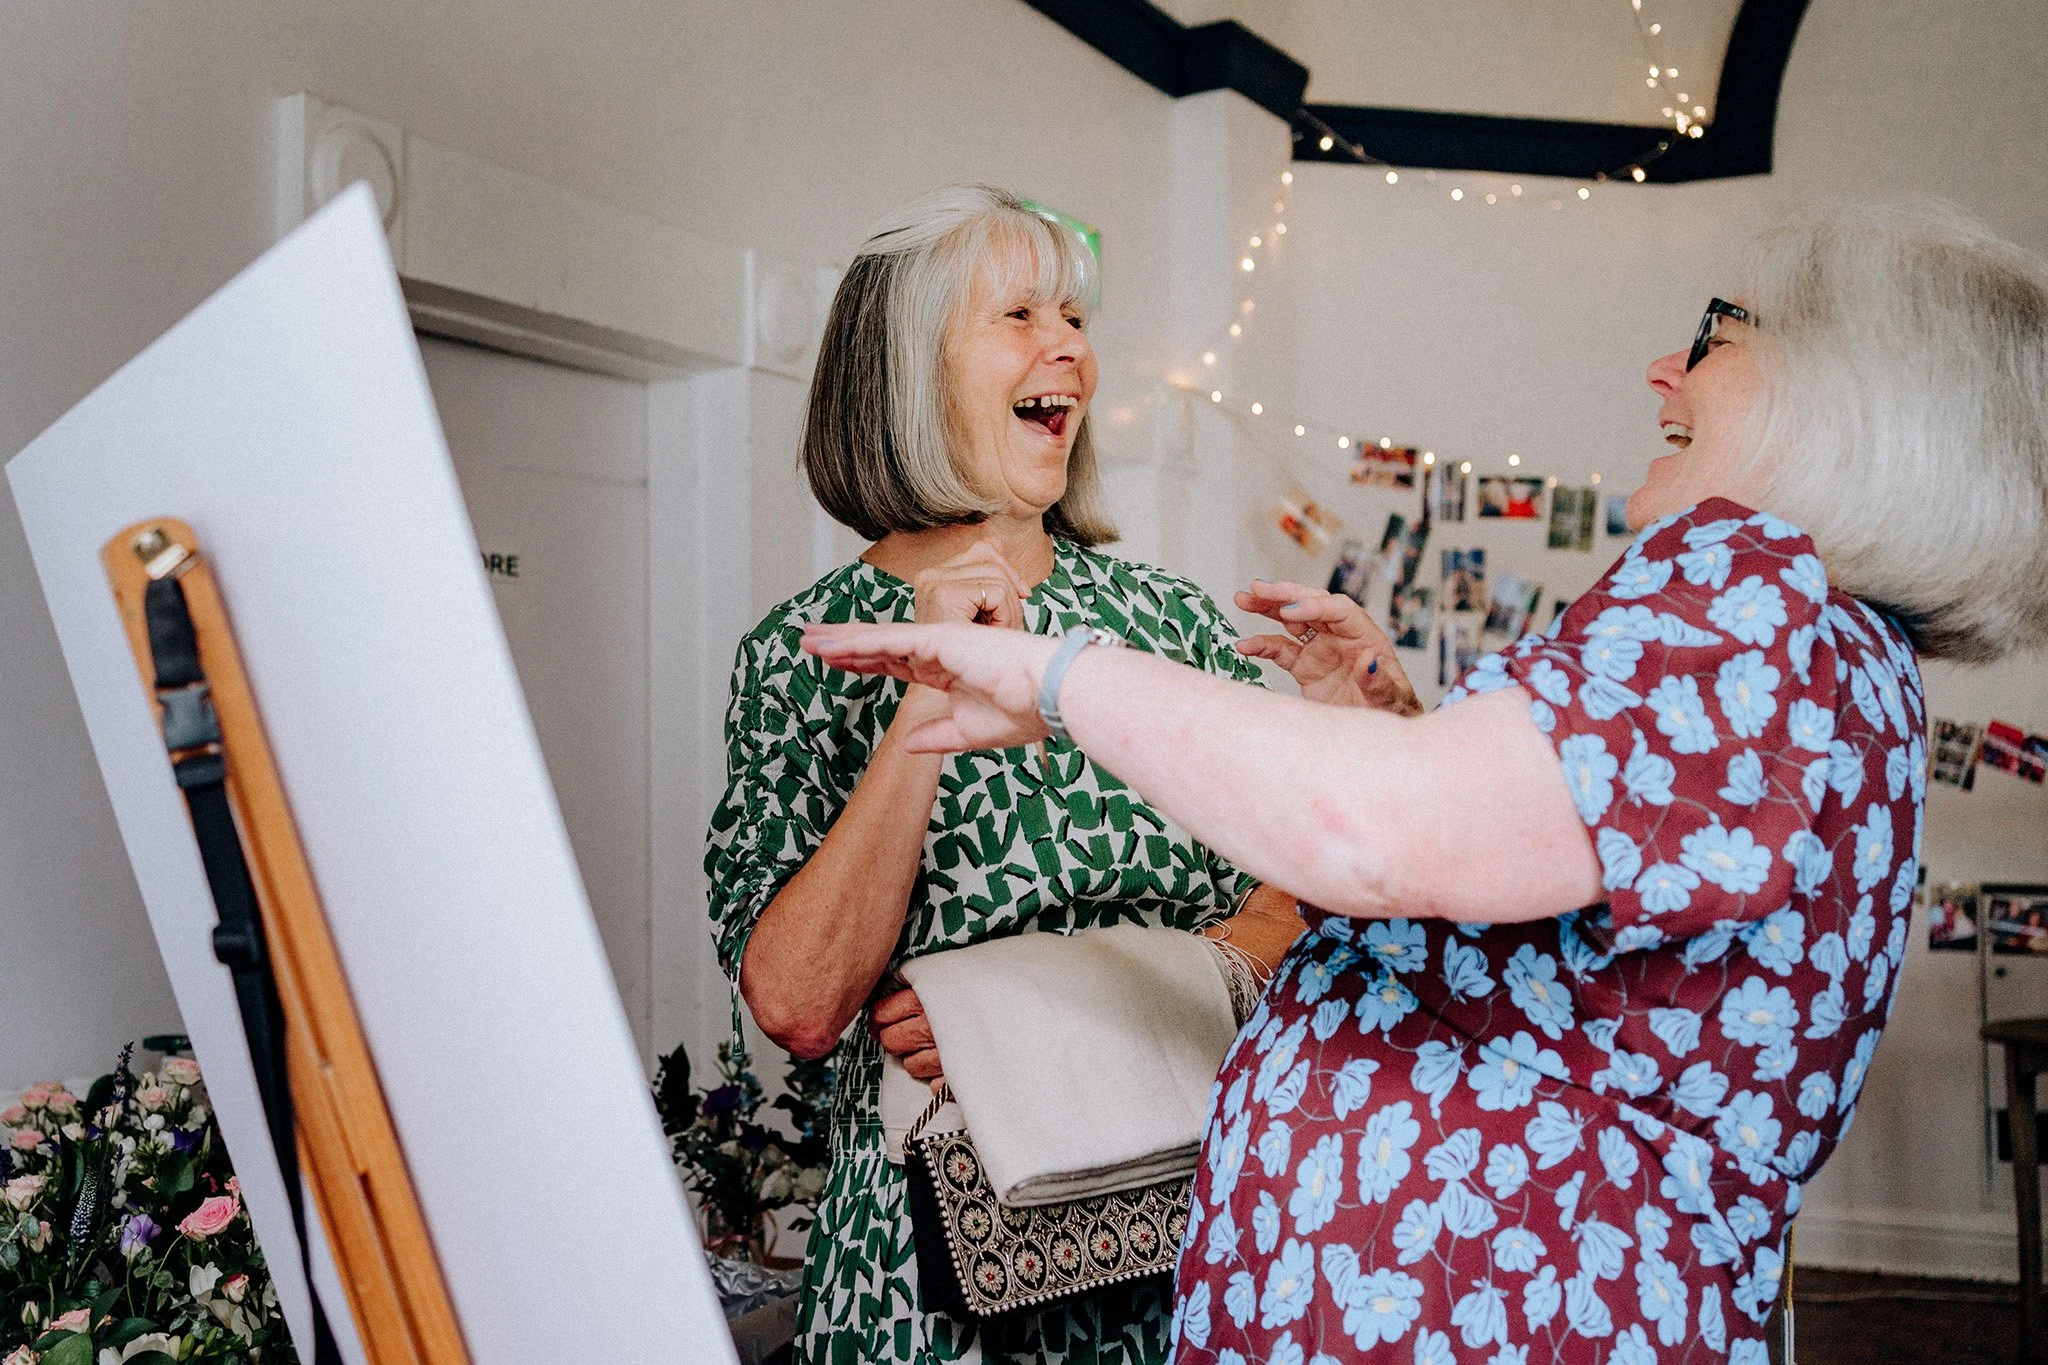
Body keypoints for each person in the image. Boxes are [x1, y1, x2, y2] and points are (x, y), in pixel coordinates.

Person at [800, 202, 2048, 1362]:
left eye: (1715, 336)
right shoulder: (1828, 647)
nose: (1662, 372)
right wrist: (1381, 728)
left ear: (1850, 399)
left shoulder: (1755, 606)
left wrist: (1060, 677)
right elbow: (1543, 923)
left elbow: (1372, 834)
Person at [704, 184, 1322, 1365]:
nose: (1069, 347)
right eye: (1020, 314)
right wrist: (929, 696)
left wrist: (1040, 1012)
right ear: (906, 367)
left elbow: (1307, 889)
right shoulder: (806, 655)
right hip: (933, 1289)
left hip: (1188, 1242)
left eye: (1073, 316)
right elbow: (797, 1004)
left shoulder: (1168, 624)